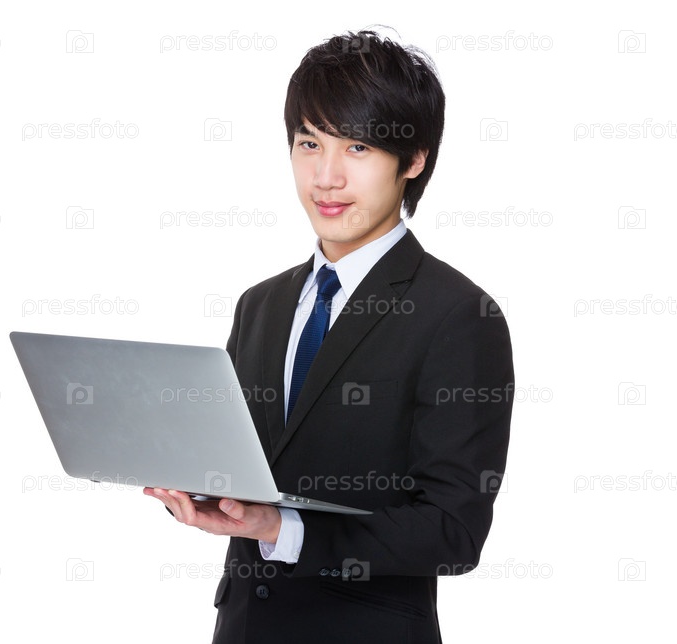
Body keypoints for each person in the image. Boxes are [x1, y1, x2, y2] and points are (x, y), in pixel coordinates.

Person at [144, 29, 514, 643]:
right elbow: (245, 464)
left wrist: (282, 529)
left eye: (358, 147)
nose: (326, 176)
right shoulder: (260, 305)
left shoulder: (459, 314)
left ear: (414, 159)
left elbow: (455, 530)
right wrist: (196, 484)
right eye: (309, 143)